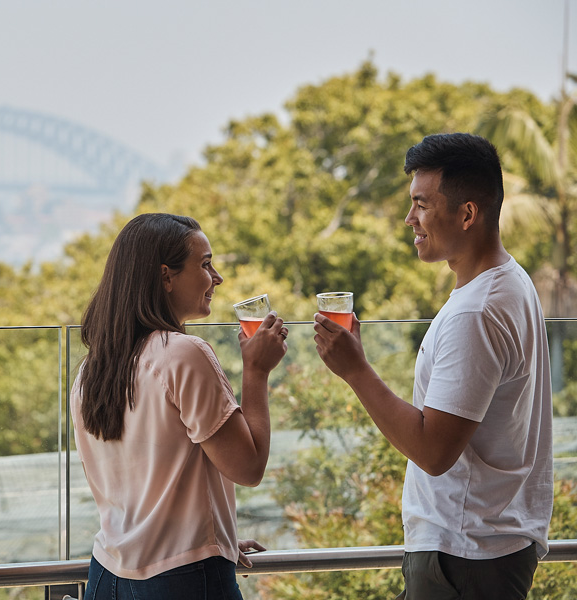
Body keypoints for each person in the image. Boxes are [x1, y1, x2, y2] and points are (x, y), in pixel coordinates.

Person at [313, 133, 554, 599]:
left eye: (422, 205)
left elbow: (433, 452)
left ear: (467, 214)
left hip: (465, 554)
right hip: (487, 547)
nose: (410, 220)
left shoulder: (476, 312)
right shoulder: (512, 282)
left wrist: (356, 371)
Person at [71, 212, 288, 600]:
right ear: (166, 276)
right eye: (205, 265)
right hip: (181, 581)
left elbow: (141, 480)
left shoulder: (91, 370)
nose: (217, 277)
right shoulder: (183, 354)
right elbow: (249, 468)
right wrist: (256, 370)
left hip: (108, 577)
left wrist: (211, 540)